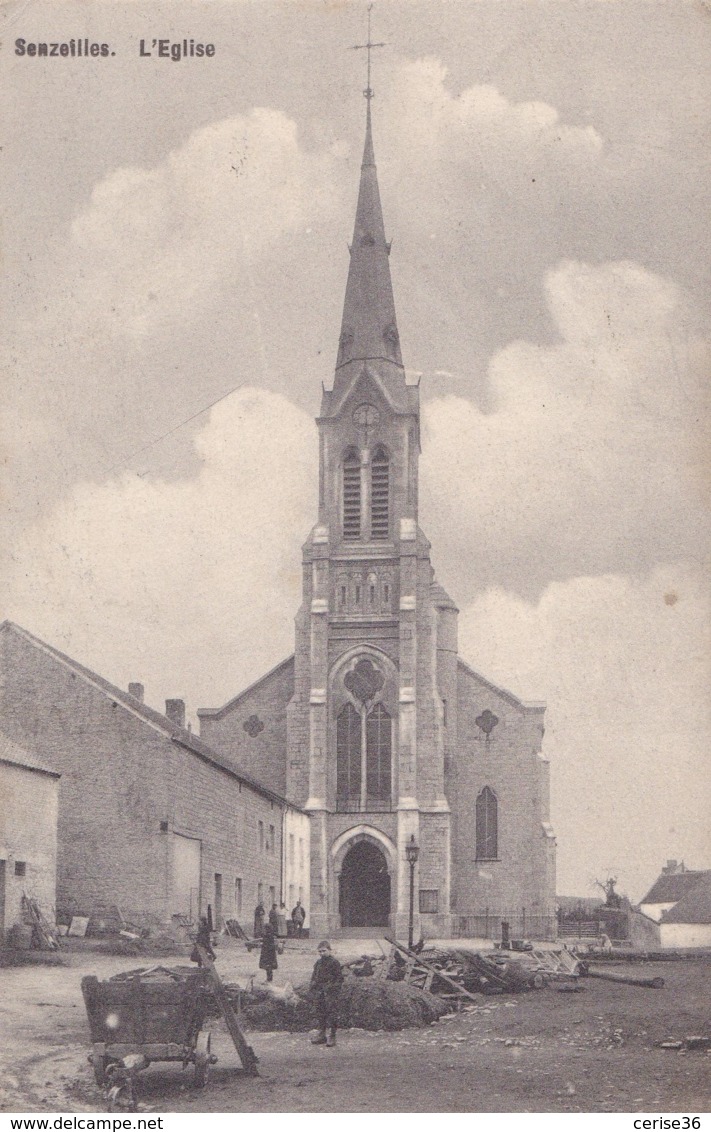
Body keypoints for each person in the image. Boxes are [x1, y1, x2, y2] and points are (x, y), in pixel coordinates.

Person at [309, 940, 343, 1047]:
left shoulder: (334, 963)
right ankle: (322, 1035)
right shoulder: (318, 963)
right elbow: (314, 976)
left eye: (324, 951)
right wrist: (313, 985)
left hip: (330, 993)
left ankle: (332, 1036)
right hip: (320, 992)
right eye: (320, 951)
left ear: (329, 950)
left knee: (332, 1013)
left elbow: (339, 979)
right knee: (320, 1013)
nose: (322, 953)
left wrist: (331, 987)